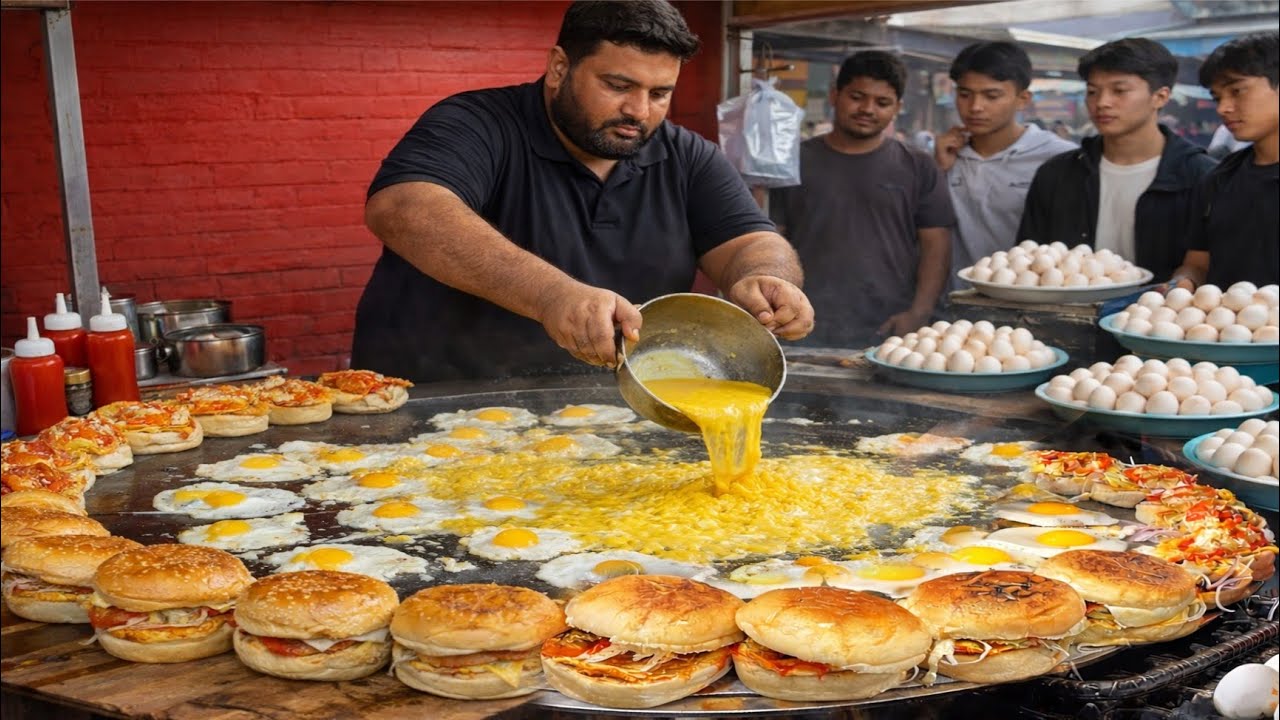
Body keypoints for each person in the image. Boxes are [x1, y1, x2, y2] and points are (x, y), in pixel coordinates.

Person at [353, 0, 814, 382]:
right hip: (436, 403)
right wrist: (553, 295)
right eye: (618, 86)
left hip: (598, 417)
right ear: (559, 67)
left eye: (659, 93)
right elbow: (404, 208)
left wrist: (767, 277)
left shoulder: (688, 156)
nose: (638, 110)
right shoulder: (477, 123)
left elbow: (752, 241)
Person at [770, 51, 955, 348]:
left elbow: (936, 245)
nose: (868, 109)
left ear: (898, 107)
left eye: (882, 102)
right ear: (835, 95)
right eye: (857, 96)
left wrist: (918, 313)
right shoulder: (792, 161)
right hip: (803, 321)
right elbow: (773, 239)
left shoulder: (918, 166)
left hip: (890, 326)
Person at [1017, 38, 1216, 279]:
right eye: (1092, 92)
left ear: (1161, 97)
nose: (1102, 103)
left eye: (1119, 91)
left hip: (1159, 314)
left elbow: (1209, 266)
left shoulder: (1202, 177)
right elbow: (1028, 261)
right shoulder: (1057, 174)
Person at [934, 42, 1077, 279]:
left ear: (1023, 99)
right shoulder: (946, 156)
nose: (975, 107)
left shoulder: (1058, 159)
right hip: (956, 304)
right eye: (964, 94)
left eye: (991, 95)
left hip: (1030, 302)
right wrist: (936, 171)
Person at [1170, 31, 1279, 289]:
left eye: (1237, 91)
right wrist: (1181, 284)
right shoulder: (1219, 179)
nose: (1222, 108)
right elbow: (1198, 263)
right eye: (1217, 97)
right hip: (1225, 327)